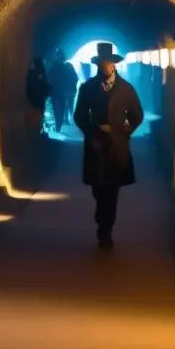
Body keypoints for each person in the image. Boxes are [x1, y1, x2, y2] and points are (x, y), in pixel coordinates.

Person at [73, 42, 144, 249]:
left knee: (112, 190)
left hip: (117, 146)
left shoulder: (126, 89)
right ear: (98, 64)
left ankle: (106, 230)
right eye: (103, 62)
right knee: (98, 188)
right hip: (96, 144)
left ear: (114, 65)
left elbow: (137, 115)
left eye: (110, 62)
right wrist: (94, 129)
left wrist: (124, 131)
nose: (107, 66)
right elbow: (79, 115)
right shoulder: (88, 88)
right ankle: (102, 219)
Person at [48, 48, 79, 133]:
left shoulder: (62, 67)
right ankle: (59, 123)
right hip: (59, 91)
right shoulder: (63, 68)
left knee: (59, 107)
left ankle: (59, 124)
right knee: (59, 107)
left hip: (59, 91)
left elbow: (50, 77)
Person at [25, 56, 52, 134]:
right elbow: (46, 86)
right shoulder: (41, 74)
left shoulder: (30, 74)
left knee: (34, 117)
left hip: (32, 100)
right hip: (39, 99)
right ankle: (37, 132)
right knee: (38, 116)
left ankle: (35, 132)